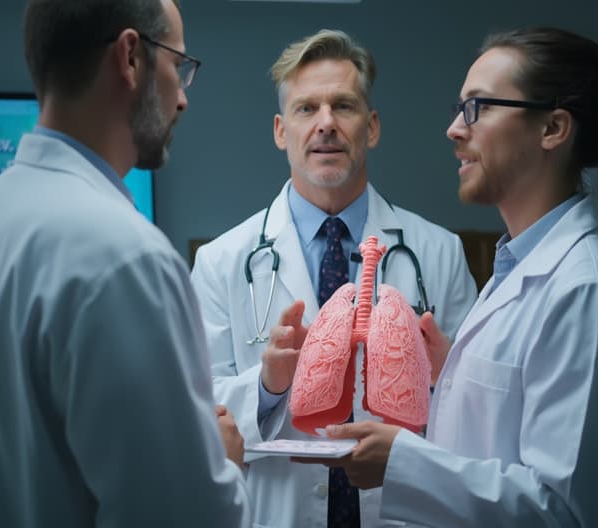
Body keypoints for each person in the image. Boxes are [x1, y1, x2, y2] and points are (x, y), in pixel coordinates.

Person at [300, 27, 598, 527]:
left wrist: (402, 464)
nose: (454, 129)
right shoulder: (516, 270)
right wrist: (456, 374)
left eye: (478, 107)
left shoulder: (587, 291)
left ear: (552, 127)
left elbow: (562, 514)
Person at [190, 29, 477, 527]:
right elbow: (199, 414)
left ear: (372, 127)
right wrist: (267, 386)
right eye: (306, 109)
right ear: (282, 131)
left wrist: (441, 378)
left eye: (343, 106)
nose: (325, 124)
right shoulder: (221, 262)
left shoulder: (439, 253)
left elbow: (474, 415)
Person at [0, 1, 250, 526]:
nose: (181, 99)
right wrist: (224, 466)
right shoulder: (127, 259)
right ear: (131, 57)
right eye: (179, 65)